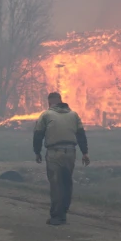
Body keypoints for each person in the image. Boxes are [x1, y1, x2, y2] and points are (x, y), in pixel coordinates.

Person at [33, 92, 90, 226]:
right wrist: (85, 152)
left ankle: (57, 217)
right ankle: (63, 212)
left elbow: (38, 135)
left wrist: (37, 152)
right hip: (71, 152)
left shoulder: (46, 115)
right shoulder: (74, 115)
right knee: (67, 182)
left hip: (54, 152)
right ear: (61, 101)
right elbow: (81, 135)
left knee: (56, 184)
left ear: (49, 102)